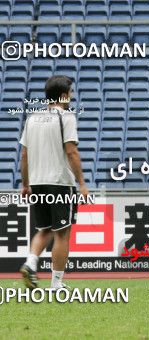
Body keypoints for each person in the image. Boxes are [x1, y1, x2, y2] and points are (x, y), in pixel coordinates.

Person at [19, 75, 88, 289]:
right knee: (62, 233)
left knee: (44, 230)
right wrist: (82, 183)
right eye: (71, 92)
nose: (72, 96)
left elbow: (24, 155)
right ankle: (56, 283)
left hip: (38, 182)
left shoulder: (32, 119)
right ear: (64, 95)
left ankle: (31, 263)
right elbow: (71, 152)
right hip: (59, 182)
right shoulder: (66, 117)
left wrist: (26, 184)